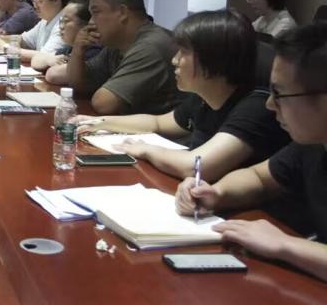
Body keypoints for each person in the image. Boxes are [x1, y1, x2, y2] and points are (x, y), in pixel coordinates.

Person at [175, 23, 327, 282]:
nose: (269, 104)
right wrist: (217, 193)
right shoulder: (312, 144)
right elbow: (259, 178)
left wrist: (285, 244)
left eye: (279, 94)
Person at [76, 10, 290, 181]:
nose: (175, 60)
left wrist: (146, 150)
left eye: (184, 52)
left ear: (213, 59)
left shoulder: (256, 106)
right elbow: (158, 123)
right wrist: (100, 122)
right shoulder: (204, 97)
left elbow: (196, 166)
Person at [67, 0, 183, 115]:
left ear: (122, 12)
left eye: (96, 12)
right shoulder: (117, 44)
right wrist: (78, 49)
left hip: (163, 128)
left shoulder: (151, 46)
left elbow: (104, 103)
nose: (91, 22)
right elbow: (78, 84)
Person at [0, 0, 70, 62]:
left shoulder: (65, 24)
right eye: (34, 1)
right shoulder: (45, 21)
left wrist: (4, 47)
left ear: (56, 0)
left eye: (39, 1)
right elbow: (23, 40)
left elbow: (45, 57)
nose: (35, 6)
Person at [34, 0, 101, 80]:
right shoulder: (69, 48)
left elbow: (53, 75)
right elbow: (35, 60)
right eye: (61, 21)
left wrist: (50, 65)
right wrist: (48, 60)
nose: (61, 27)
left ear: (85, 25)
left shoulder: (94, 50)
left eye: (66, 21)